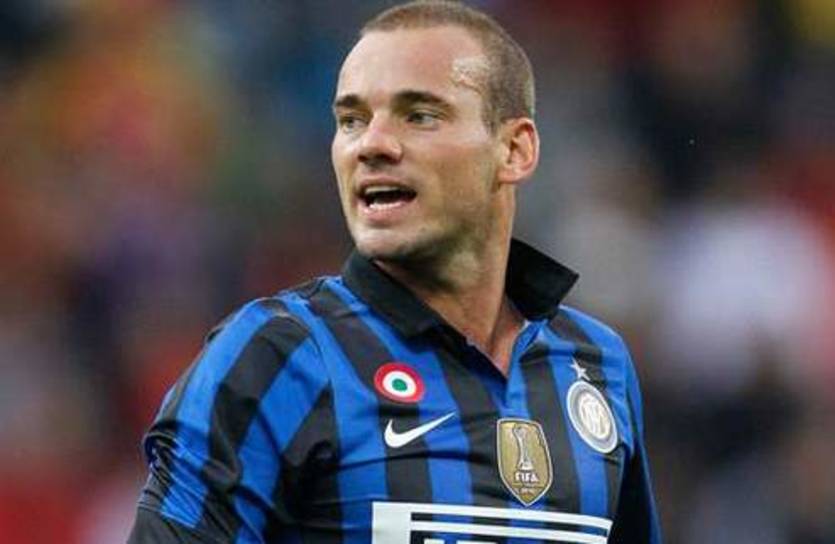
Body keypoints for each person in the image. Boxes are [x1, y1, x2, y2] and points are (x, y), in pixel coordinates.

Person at [128, 1, 663, 543]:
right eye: (352, 120)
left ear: (514, 150)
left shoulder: (596, 364)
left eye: (420, 115)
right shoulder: (277, 357)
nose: (372, 144)